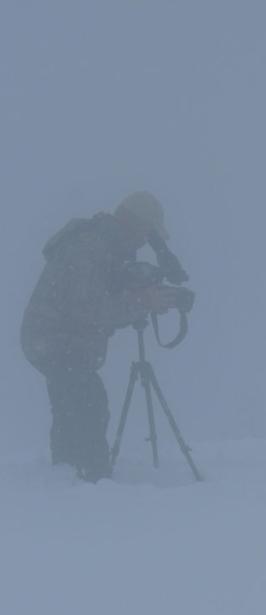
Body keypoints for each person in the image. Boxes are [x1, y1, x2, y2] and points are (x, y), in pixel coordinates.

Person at [21, 191, 179, 482]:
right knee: (88, 404)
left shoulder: (104, 246)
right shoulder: (90, 247)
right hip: (56, 339)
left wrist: (138, 297)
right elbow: (89, 310)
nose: (146, 241)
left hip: (56, 339)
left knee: (74, 405)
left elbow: (97, 303)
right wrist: (142, 302)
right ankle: (90, 479)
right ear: (134, 224)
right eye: (147, 233)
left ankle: (67, 477)